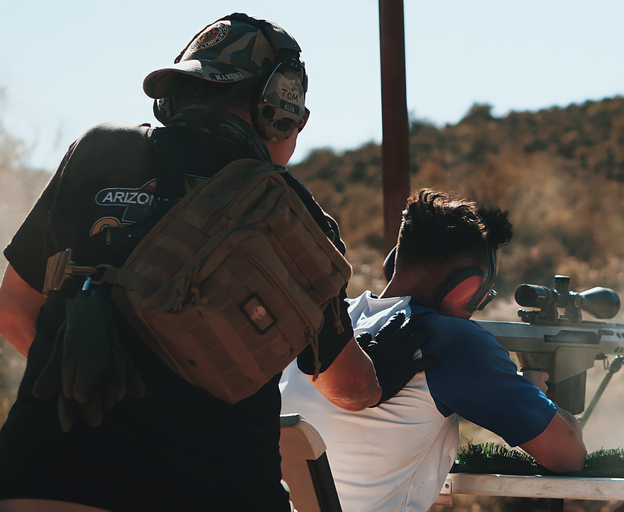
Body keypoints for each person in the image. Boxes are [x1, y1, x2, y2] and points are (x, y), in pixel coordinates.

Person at [0, 14, 430, 512]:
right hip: (211, 488)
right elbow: (347, 387)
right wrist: (385, 375)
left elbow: (13, 310)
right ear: (281, 110)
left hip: (41, 477)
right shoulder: (294, 220)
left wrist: (104, 389)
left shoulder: (98, 151)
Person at [280, 189, 587, 512]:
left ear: (394, 261)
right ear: (466, 287)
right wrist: (536, 391)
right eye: (483, 293)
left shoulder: (330, 325)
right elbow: (568, 455)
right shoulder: (448, 340)